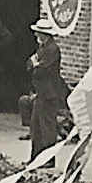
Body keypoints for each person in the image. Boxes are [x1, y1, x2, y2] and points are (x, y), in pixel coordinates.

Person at [27, 17, 68, 157]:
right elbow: (29, 64)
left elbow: (42, 70)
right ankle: (36, 157)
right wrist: (34, 64)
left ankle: (48, 158)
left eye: (38, 33)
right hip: (41, 92)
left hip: (49, 93)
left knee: (47, 127)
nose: (36, 35)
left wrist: (35, 64)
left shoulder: (52, 49)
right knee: (36, 125)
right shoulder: (42, 48)